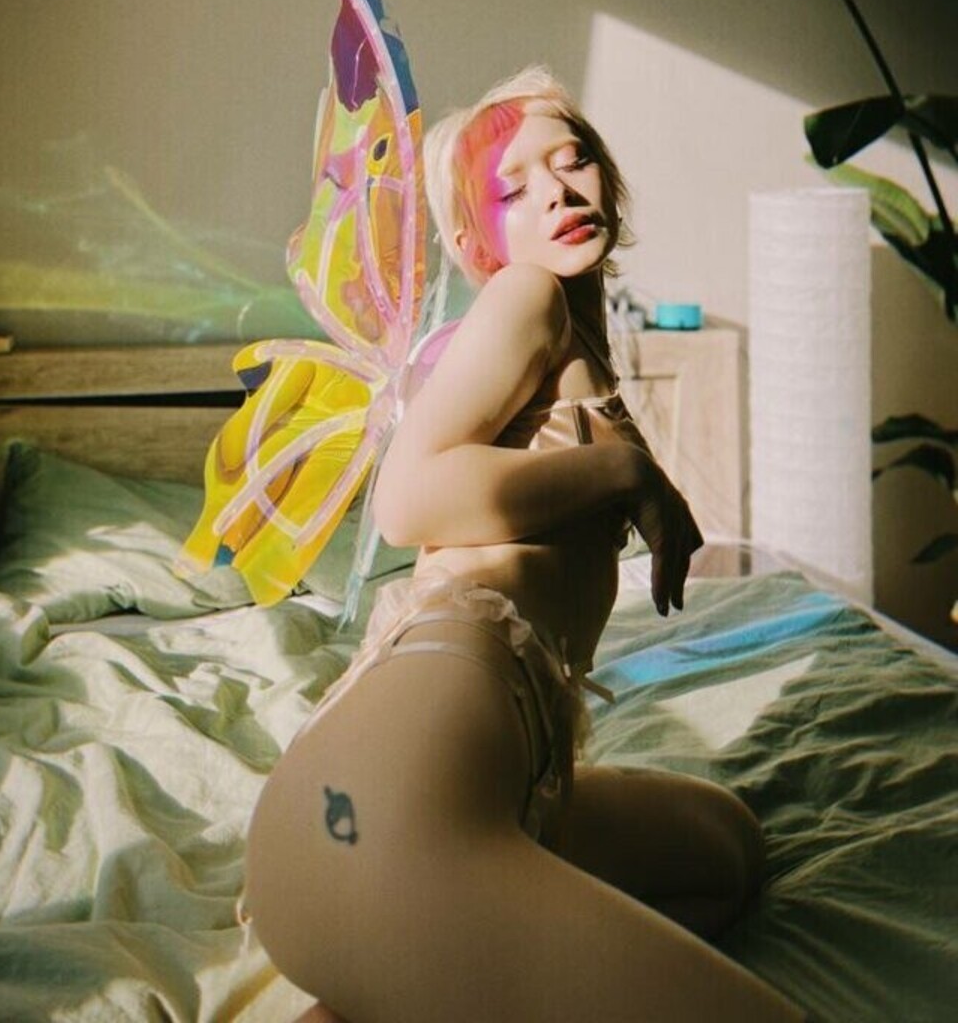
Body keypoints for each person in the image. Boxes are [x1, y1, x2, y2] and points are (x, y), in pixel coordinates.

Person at [244, 67, 806, 1023]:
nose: (556, 189)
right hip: (372, 814)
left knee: (724, 854)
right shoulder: (526, 296)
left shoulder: (570, 341)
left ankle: (400, 983)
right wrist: (624, 474)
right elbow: (405, 502)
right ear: (477, 246)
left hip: (442, 807)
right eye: (512, 189)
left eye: (572, 159)